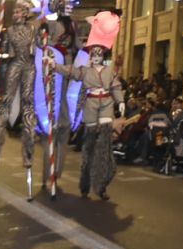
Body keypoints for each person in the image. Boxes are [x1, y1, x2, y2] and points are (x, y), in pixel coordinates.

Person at [47, 32, 126, 201]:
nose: (96, 56)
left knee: (104, 148)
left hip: (105, 106)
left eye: (99, 53)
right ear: (91, 56)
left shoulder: (109, 72)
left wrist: (120, 101)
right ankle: (85, 185)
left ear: (102, 56)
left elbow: (116, 87)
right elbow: (70, 71)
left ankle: (101, 185)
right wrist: (54, 65)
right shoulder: (85, 72)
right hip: (91, 106)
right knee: (89, 148)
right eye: (93, 53)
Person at [0, 0, 41, 199]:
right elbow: (4, 52)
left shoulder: (33, 29)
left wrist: (45, 37)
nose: (16, 14)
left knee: (27, 100)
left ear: (25, 13)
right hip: (16, 65)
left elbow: (42, 46)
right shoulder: (9, 31)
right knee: (7, 98)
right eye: (14, 11)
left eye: (19, 11)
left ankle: (28, 144)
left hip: (29, 66)